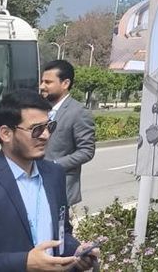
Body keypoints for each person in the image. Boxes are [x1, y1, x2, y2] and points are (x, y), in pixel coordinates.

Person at [0, 88, 99, 271]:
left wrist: (76, 251)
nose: (45, 135)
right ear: (6, 133)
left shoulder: (54, 174)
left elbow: (62, 233)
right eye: (36, 129)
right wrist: (24, 263)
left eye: (49, 126)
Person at [40, 59, 96, 206]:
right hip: (35, 185)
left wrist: (54, 165)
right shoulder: (39, 108)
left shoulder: (78, 112)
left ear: (65, 83)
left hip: (60, 188)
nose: (42, 86)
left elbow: (86, 151)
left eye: (48, 82)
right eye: (42, 81)